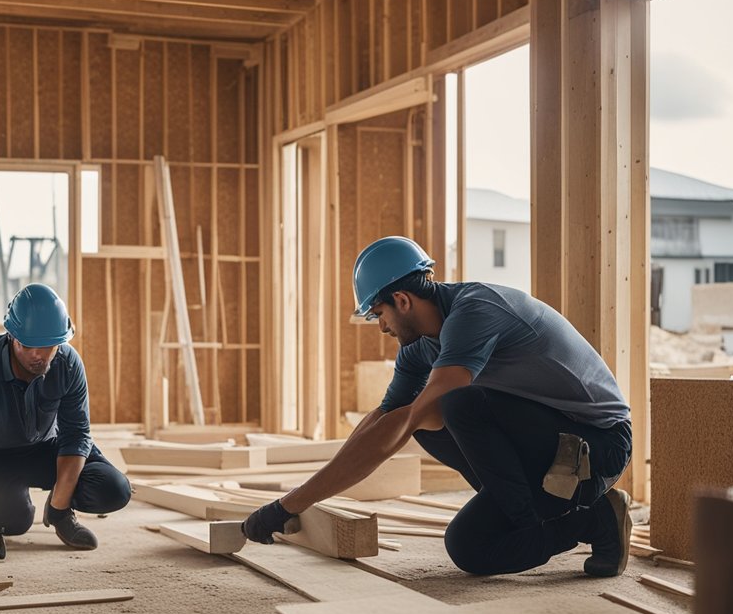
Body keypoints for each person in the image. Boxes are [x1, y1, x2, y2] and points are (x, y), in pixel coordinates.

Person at [242, 236, 634, 578]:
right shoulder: (418, 349)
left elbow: (404, 425)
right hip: (548, 446)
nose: (381, 328)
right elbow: (381, 420)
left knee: (453, 407)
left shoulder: (475, 311)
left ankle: (529, 521)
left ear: (401, 300)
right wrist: (297, 498)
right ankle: (594, 520)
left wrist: (291, 503)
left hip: (599, 445)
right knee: (468, 548)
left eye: (379, 315)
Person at [0, 283, 131, 566]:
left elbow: (76, 436)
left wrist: (60, 508)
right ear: (12, 336)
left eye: (48, 345)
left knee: (113, 489)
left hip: (46, 448)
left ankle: (58, 512)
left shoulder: (68, 364)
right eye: (28, 345)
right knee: (14, 521)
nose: (38, 354)